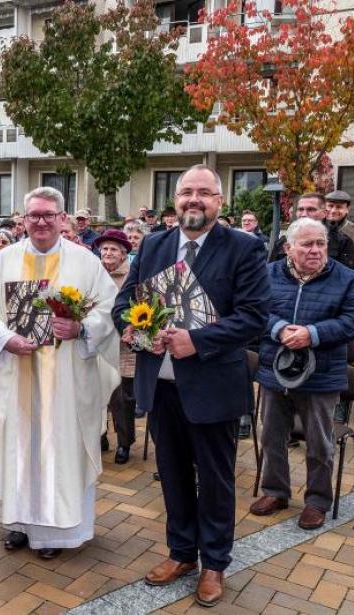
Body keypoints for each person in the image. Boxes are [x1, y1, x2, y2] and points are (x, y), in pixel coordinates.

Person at [112, 165, 270, 607]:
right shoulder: (155, 244)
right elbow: (125, 302)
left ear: (220, 201)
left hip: (213, 385)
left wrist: (194, 341)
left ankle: (215, 563)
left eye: (204, 192)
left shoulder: (244, 248)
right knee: (174, 474)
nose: (193, 200)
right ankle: (181, 552)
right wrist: (131, 326)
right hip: (160, 384)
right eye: (186, 192)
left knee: (216, 480)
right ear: (175, 200)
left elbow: (254, 317)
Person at [0, 186, 120, 560]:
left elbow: (108, 311)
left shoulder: (86, 262)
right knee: (18, 446)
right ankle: (18, 523)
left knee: (60, 448)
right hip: (16, 374)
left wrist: (81, 329)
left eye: (50, 214)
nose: (42, 221)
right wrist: (5, 338)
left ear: (63, 219)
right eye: (34, 215)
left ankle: (56, 533)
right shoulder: (3, 261)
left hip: (66, 379)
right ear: (23, 219)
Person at [250, 218, 354, 530]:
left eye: (320, 243)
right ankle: (275, 491)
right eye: (307, 244)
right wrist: (279, 328)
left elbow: (351, 321)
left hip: (321, 373)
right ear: (288, 249)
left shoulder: (346, 278)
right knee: (271, 435)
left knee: (320, 442)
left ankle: (317, 500)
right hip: (274, 370)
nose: (315, 250)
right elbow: (255, 313)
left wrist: (312, 333)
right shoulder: (268, 274)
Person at [95, 229, 136, 464]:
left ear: (123, 255)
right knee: (96, 392)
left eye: (113, 250)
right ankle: (100, 435)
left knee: (121, 398)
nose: (108, 253)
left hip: (123, 346)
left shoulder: (131, 277)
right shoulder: (94, 274)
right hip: (97, 344)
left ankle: (124, 442)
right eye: (104, 249)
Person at [271, 193, 354, 268]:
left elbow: (347, 277)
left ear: (324, 213)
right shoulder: (284, 240)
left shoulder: (342, 242)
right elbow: (272, 272)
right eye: (300, 209)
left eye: (311, 209)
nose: (304, 214)